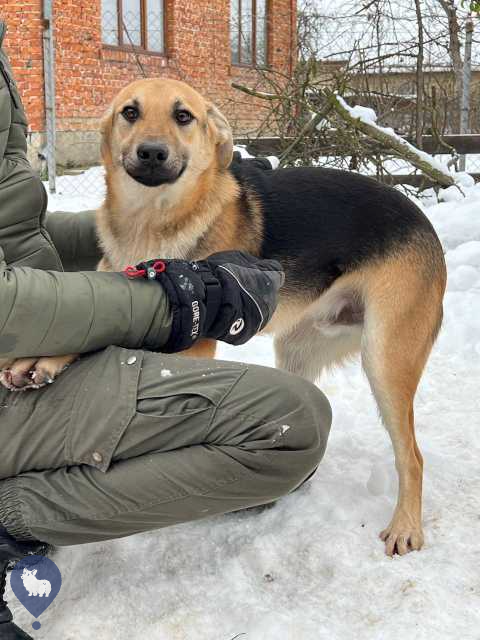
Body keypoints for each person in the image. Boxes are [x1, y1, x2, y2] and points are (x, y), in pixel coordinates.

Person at [0, 21, 332, 640]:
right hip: (14, 353)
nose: (152, 140)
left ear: (213, 141)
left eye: (179, 119)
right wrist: (167, 300)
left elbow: (12, 229)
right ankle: (15, 515)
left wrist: (109, 243)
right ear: (108, 139)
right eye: (132, 117)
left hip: (30, 330)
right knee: (294, 425)